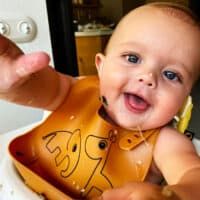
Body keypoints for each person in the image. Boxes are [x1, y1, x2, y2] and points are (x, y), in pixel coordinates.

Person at [1, 2, 200, 200]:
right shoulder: (75, 92)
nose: (148, 77)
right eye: (132, 58)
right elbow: (39, 89)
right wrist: (15, 83)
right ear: (101, 67)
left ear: (184, 100)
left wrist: (175, 196)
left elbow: (193, 176)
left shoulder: (167, 143)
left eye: (171, 75)